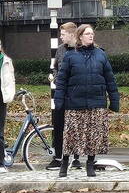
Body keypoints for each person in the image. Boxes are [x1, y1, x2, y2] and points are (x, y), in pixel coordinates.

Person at [54, 24, 120, 178]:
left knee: (94, 136)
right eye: (87, 34)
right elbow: (62, 81)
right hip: (75, 104)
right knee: (71, 136)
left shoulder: (101, 55)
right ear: (80, 36)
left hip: (96, 103)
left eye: (92, 33)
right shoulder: (70, 56)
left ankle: (90, 165)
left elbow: (110, 80)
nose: (91, 36)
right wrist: (59, 101)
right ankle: (64, 164)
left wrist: (114, 100)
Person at [46, 22, 78, 170]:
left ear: (72, 34)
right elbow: (55, 68)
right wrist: (56, 78)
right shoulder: (60, 50)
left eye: (63, 34)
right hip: (61, 94)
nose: (60, 37)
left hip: (75, 95)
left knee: (75, 126)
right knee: (58, 125)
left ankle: (76, 157)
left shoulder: (80, 50)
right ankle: (58, 156)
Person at [0, 40, 15, 173]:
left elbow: (11, 79)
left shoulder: (6, 61)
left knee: (0, 132)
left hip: (1, 99)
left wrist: (10, 94)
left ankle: (0, 163)